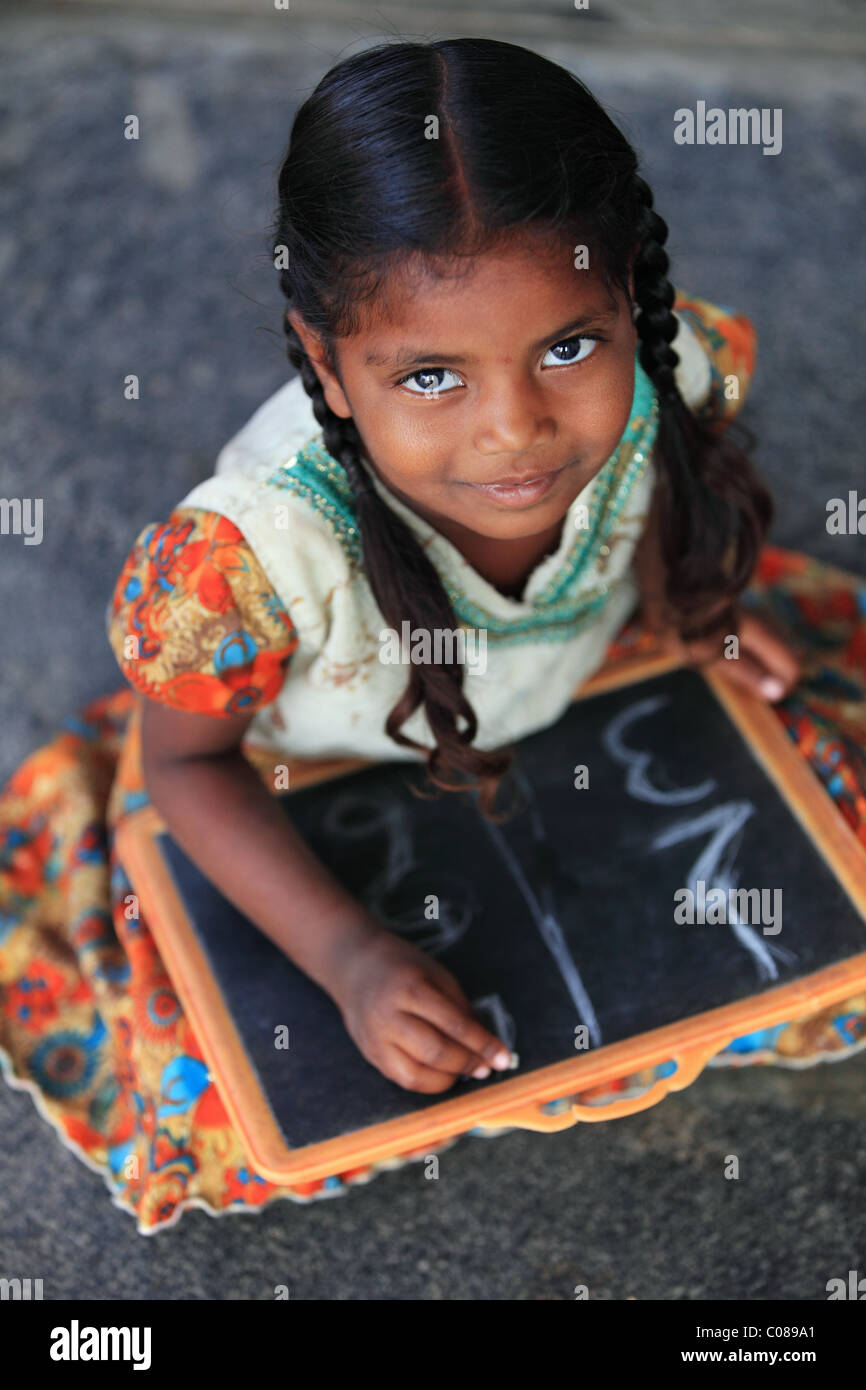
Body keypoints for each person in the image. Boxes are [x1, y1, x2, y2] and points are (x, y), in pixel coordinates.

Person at [2, 38, 864, 1234]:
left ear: (629, 299)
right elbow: (183, 769)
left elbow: (665, 491)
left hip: (585, 674)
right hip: (314, 764)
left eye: (568, 346)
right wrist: (348, 956)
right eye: (429, 377)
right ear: (328, 363)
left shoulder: (666, 373)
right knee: (232, 1103)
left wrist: (698, 606)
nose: (515, 432)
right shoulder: (246, 566)